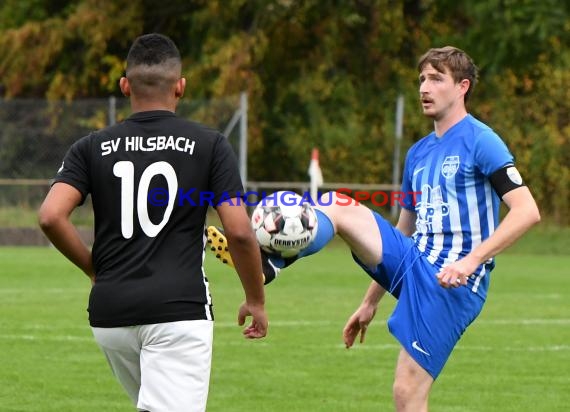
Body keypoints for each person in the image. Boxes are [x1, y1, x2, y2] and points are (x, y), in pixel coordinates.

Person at [206, 46, 540, 411]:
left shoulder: (482, 140)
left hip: (451, 283)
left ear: (462, 87)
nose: (424, 88)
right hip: (414, 263)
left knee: (407, 392)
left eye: (436, 79)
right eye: (422, 79)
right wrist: (369, 303)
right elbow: (404, 230)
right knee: (338, 204)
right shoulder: (418, 154)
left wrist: (471, 261)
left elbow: (527, 211)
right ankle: (269, 263)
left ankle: (268, 259)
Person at [38, 33, 268, 412]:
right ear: (180, 87)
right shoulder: (209, 144)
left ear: (125, 85)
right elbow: (240, 232)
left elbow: (50, 216)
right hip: (178, 311)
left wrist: (93, 268)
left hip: (110, 314)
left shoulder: (90, 146)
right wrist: (256, 299)